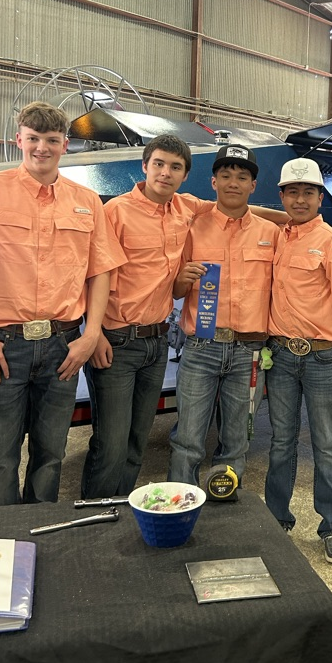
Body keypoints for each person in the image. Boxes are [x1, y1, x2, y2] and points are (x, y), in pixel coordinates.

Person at [81, 136, 284, 498]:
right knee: (130, 442)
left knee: (144, 443)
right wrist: (92, 331)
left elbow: (242, 215)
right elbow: (96, 273)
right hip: (133, 341)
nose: (165, 172)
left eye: (175, 167)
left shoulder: (193, 212)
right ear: (145, 166)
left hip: (192, 346)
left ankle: (208, 507)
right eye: (159, 164)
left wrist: (295, 220)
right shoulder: (124, 213)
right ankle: (122, 509)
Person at [0, 101, 126, 506]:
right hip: (4, 346)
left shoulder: (86, 201)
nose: (41, 148)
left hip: (64, 346)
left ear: (65, 145)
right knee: (0, 456)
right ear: (18, 141)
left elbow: (100, 272)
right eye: (33, 139)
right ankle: (4, 544)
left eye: (51, 140)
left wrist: (90, 334)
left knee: (50, 455)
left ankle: (39, 532)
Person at [264, 158, 332, 566]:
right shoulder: (279, 235)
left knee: (326, 444)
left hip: (323, 358)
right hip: (283, 356)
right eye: (292, 192)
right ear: (283, 196)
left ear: (321, 198)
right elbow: (272, 215)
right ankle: (276, 519)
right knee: (281, 441)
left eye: (308, 192)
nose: (300, 199)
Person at [168, 145, 280, 486]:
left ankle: (224, 511)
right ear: (213, 181)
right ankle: (180, 508)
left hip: (249, 355)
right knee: (187, 440)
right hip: (201, 349)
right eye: (227, 175)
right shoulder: (192, 227)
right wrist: (181, 281)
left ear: (253, 186)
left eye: (242, 177)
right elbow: (174, 291)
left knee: (237, 441)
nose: (234, 182)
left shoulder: (270, 234)